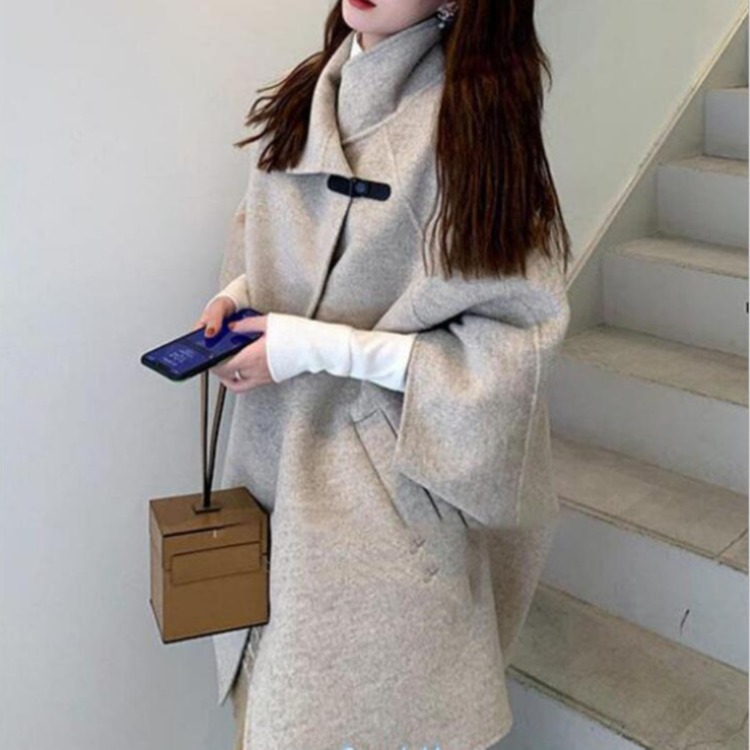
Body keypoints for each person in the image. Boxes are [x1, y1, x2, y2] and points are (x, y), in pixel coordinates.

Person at [192, 1, 572, 748]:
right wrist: (237, 295)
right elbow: (261, 241)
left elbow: (508, 354)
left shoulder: (475, 127)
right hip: (264, 476)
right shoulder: (305, 95)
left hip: (381, 514)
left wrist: (319, 348)